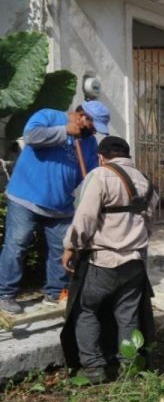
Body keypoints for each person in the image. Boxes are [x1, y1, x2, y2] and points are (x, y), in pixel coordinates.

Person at [60, 136, 158, 384]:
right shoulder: (145, 181)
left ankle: (93, 369)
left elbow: (84, 217)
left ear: (102, 156)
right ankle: (128, 367)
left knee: (86, 310)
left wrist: (71, 246)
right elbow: (149, 223)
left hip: (102, 261)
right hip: (135, 263)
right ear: (127, 155)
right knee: (128, 316)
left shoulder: (100, 175)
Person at [0, 101, 110, 315]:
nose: (94, 131)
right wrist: (63, 131)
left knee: (63, 249)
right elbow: (31, 137)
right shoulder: (49, 115)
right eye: (93, 126)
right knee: (16, 245)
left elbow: (90, 174)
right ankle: (5, 294)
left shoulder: (89, 144)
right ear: (81, 116)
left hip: (60, 204)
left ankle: (56, 292)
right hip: (26, 196)